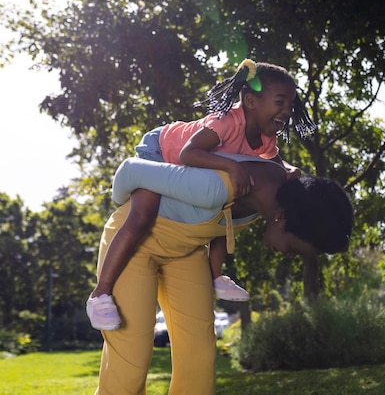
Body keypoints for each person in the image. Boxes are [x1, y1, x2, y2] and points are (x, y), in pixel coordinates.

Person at [94, 153, 353, 394]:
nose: (289, 255)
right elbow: (137, 168)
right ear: (282, 217)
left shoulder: (281, 196)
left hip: (186, 252)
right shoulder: (218, 185)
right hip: (133, 243)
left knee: (200, 355)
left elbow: (269, 157)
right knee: (132, 353)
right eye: (294, 248)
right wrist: (125, 202)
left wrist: (285, 165)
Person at [86, 59, 317, 330]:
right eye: (280, 102)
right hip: (162, 152)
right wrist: (232, 166)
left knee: (224, 210)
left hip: (191, 171)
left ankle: (214, 275)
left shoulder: (266, 137)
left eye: (290, 105)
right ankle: (100, 293)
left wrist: (291, 170)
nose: (287, 111)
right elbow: (188, 153)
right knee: (142, 216)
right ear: (251, 101)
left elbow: (276, 161)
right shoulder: (227, 122)